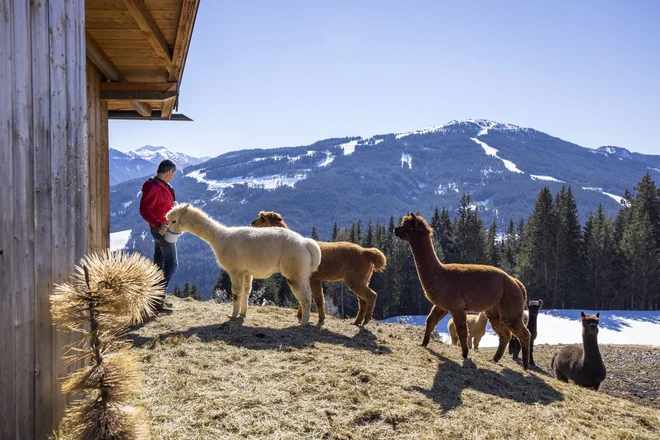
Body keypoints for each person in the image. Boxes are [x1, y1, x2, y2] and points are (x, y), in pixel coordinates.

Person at [139, 159, 178, 314]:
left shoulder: (165, 186)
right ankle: (157, 301)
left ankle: (152, 299)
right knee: (172, 263)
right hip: (161, 230)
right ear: (169, 172)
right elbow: (144, 209)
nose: (173, 176)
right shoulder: (153, 187)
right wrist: (159, 224)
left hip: (166, 228)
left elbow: (167, 203)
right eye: (173, 173)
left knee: (159, 263)